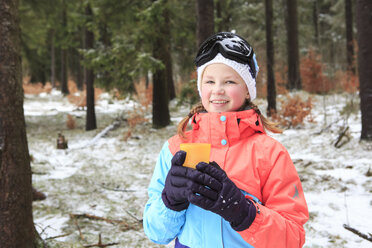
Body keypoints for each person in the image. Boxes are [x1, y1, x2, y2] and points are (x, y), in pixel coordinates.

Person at [143, 32, 309, 248]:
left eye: (229, 81)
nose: (218, 90)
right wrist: (170, 202)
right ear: (200, 88)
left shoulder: (270, 154)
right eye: (209, 81)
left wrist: (245, 213)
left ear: (248, 90)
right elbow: (156, 233)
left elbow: (292, 238)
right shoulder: (176, 148)